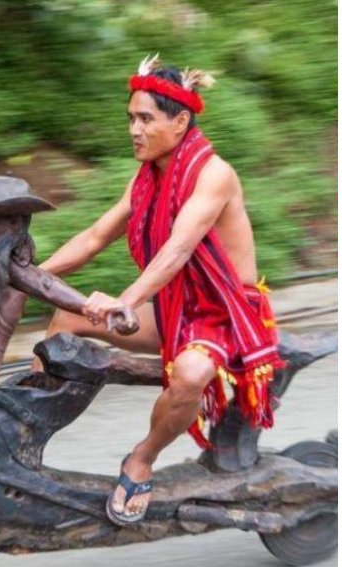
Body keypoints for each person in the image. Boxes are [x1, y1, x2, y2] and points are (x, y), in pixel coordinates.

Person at [36, 56, 283, 524]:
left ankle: (141, 459)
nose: (134, 129)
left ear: (180, 121)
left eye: (145, 119)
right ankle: (25, 423)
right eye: (131, 118)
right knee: (65, 319)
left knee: (190, 374)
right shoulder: (146, 176)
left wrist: (124, 302)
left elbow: (176, 250)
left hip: (223, 316)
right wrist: (28, 274)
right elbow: (92, 238)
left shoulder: (214, 174)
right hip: (175, 308)